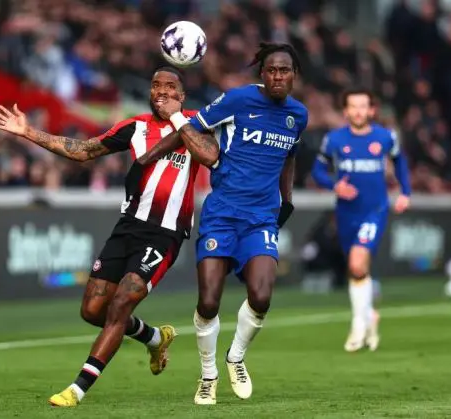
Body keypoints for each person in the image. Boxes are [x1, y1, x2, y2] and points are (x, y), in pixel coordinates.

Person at [0, 66, 219, 407]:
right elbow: (83, 150)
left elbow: (210, 155)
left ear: (181, 96)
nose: (162, 91)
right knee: (93, 310)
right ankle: (155, 338)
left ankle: (77, 388)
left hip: (165, 233)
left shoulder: (195, 124)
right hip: (128, 228)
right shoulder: (136, 127)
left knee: (122, 303)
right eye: (156, 85)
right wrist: (28, 133)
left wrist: (179, 120)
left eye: (170, 87)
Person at [132, 42, 308, 405]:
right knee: (209, 301)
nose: (278, 76)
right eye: (272, 70)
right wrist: (148, 157)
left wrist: (286, 200)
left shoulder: (298, 115)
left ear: (294, 75)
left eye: (285, 70)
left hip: (260, 217)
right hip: (222, 214)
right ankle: (208, 374)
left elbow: (289, 156)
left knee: (261, 296)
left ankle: (236, 358)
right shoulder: (238, 100)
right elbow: (189, 130)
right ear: (262, 74)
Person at [310, 87, 411, 353]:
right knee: (357, 269)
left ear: (372, 110)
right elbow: (318, 170)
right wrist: (334, 185)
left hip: (375, 210)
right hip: (346, 212)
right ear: (345, 111)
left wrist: (405, 192)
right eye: (353, 106)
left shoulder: (385, 137)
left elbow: (400, 163)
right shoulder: (333, 140)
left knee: (356, 264)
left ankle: (357, 324)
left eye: (363, 106)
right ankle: (369, 316)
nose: (358, 111)